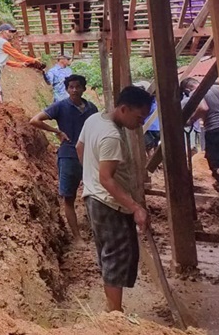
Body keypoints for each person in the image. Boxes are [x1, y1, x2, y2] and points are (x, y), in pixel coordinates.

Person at [77, 85, 153, 313]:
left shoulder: (93, 119)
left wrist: (89, 176)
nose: (141, 122)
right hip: (109, 204)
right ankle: (114, 314)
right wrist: (136, 208)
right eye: (139, 117)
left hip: (95, 198)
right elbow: (107, 179)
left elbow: (80, 148)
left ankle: (113, 310)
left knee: (111, 253)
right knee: (116, 256)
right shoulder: (111, 135)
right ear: (123, 109)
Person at [29, 74, 98, 241]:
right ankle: (77, 237)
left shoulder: (92, 109)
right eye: (71, 87)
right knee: (69, 197)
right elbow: (35, 120)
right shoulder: (60, 106)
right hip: (68, 156)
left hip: (89, 156)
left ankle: (95, 231)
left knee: (95, 194)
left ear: (83, 88)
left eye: (77, 86)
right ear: (67, 89)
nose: (74, 90)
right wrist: (56, 131)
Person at [180, 77, 219, 175]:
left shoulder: (196, 93)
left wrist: (192, 119)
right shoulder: (218, 88)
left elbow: (203, 108)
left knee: (217, 166)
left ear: (187, 90)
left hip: (214, 130)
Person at [0, 24, 43, 102]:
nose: (12, 34)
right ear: (2, 32)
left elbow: (6, 61)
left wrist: (21, 64)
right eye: (10, 31)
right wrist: (33, 60)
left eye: (13, 32)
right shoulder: (3, 42)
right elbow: (17, 55)